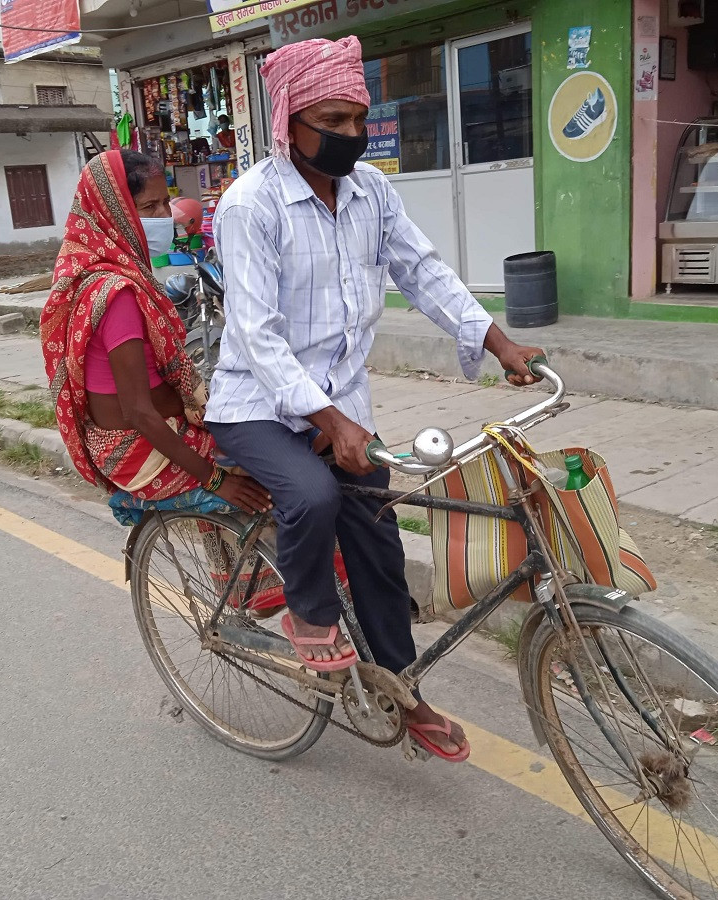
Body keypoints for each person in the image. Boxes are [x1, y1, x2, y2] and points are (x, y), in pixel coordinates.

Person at [205, 36, 543, 762]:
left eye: (359, 119)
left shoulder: (372, 193)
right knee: (312, 496)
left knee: (381, 540)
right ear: (289, 119)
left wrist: (497, 341)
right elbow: (257, 336)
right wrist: (325, 417)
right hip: (255, 405)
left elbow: (423, 270)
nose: (351, 135)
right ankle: (309, 616)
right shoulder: (249, 206)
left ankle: (402, 684)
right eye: (333, 118)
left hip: (341, 406)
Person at [40, 149, 270, 514]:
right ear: (113, 215)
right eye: (150, 209)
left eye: (167, 203)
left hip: (147, 435)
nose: (166, 218)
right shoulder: (118, 295)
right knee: (280, 488)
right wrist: (215, 480)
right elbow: (138, 412)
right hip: (138, 449)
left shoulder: (109, 277)